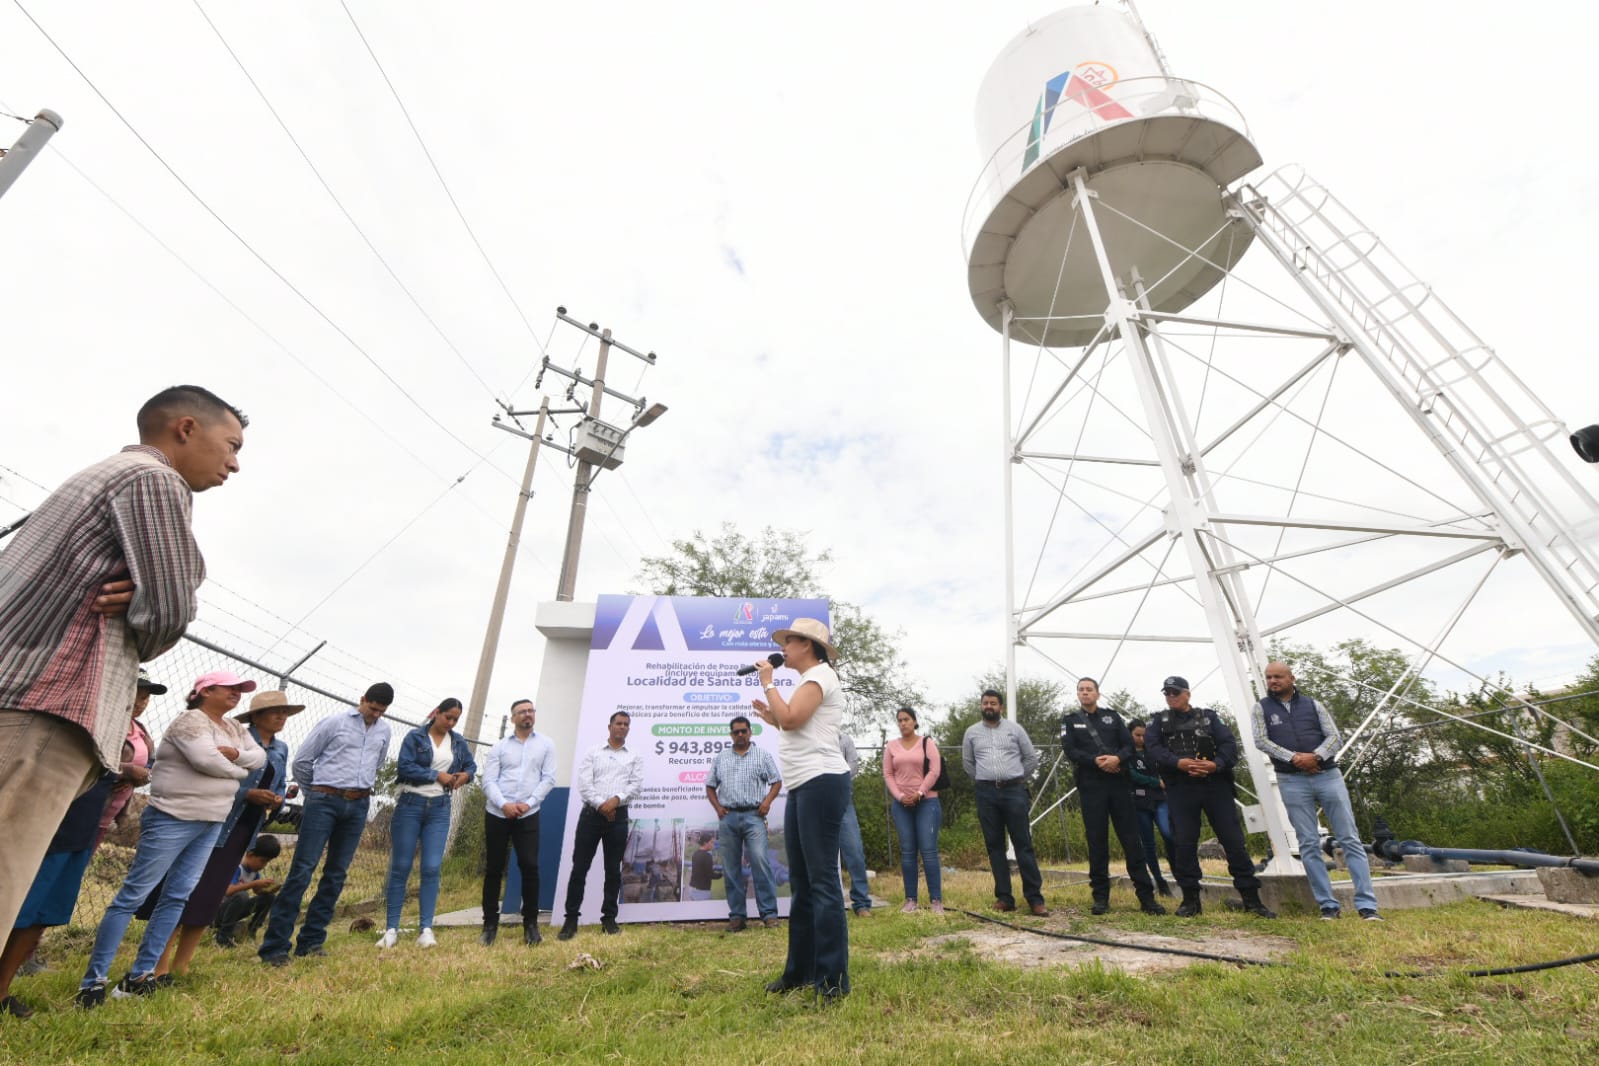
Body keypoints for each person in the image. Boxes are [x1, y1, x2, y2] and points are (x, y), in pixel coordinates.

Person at [0, 385, 246, 944]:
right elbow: (168, 615)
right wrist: (159, 596)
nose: (234, 463)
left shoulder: (100, 476)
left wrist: (157, 589)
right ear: (186, 428)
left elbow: (166, 591)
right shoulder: (155, 479)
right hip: (48, 704)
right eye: (231, 445)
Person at [77, 671, 265, 1007]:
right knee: (133, 895)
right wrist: (240, 770)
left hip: (211, 821)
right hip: (172, 817)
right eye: (229, 688)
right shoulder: (189, 722)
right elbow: (205, 760)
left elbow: (259, 758)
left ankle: (140, 976)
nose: (237, 693)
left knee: (177, 896)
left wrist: (236, 757)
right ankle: (94, 982)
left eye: (240, 689)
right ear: (205, 690)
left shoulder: (235, 728)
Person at [135, 689, 298, 980]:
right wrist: (247, 794)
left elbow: (280, 784)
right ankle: (158, 964)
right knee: (182, 891)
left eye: (285, 713)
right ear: (256, 715)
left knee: (208, 897)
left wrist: (276, 800)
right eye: (276, 711)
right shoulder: (235, 739)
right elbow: (212, 777)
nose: (282, 717)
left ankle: (182, 965)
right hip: (213, 821)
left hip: (243, 830)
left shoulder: (281, 749)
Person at [259, 682, 394, 967]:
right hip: (324, 800)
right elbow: (302, 762)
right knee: (302, 870)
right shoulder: (334, 723)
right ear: (363, 699)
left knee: (336, 874)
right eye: (372, 708)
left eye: (381, 711)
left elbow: (377, 764)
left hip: (358, 804)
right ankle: (275, 947)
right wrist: (317, 793)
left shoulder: (384, 731)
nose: (375, 715)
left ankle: (311, 941)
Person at [751, 618, 851, 1001]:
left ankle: (832, 982)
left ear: (807, 645)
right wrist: (773, 717)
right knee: (803, 884)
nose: (783, 649)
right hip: (802, 785)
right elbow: (795, 727)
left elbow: (793, 718)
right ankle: (799, 972)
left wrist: (768, 683)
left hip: (821, 781)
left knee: (822, 882)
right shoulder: (808, 680)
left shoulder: (821, 676)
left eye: (788, 642)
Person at [1251, 661, 1382, 921]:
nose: (1273, 681)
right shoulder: (1261, 708)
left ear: (1291, 678)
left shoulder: (1313, 705)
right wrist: (1295, 758)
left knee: (1349, 838)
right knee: (1308, 843)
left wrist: (1316, 757)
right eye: (1269, 677)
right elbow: (1261, 740)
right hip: (1291, 779)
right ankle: (1328, 906)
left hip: (1327, 775)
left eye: (1278, 676)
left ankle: (1367, 905)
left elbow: (1334, 736)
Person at [1145, 676, 1275, 919]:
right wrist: (1178, 763)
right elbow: (1152, 750)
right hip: (1181, 787)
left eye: (1175, 692)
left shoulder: (1209, 718)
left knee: (1233, 841)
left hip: (1215, 785)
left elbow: (1229, 746)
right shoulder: (1158, 722)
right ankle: (1191, 900)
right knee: (1184, 843)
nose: (1171, 697)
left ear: (1187, 694)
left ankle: (1251, 899)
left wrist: (1215, 765)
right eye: (1167, 693)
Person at [0, 771, 120, 1018]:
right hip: (45, 804)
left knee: (42, 911)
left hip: (83, 817)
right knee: (10, 902)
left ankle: (1, 991)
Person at [1061, 679, 1165, 916]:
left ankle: (1146, 897)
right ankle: (1100, 898)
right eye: (1081, 690)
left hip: (1118, 783)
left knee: (1132, 841)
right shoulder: (1070, 720)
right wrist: (1094, 761)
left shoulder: (1112, 717)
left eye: (1089, 689)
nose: (1085, 693)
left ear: (1097, 694)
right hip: (1091, 785)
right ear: (1078, 694)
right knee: (1097, 841)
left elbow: (1128, 745)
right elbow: (1070, 750)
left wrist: (1117, 759)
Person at [380, 698, 477, 950]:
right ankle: (391, 929)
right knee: (401, 866)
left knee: (432, 867)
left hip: (440, 808)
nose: (451, 722)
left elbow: (471, 766)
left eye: (455, 719)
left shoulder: (458, 742)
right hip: (410, 805)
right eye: (448, 717)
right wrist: (436, 775)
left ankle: (425, 929)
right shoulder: (415, 737)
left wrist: (465, 776)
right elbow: (405, 767)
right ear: (437, 713)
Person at [962, 688, 1048, 916]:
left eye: (993, 703)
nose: (989, 706)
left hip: (1014, 792)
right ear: (981, 706)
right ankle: (1004, 897)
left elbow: (1030, 759)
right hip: (986, 793)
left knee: (1023, 844)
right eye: (985, 703)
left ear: (1001, 707)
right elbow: (968, 764)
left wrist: (1016, 778)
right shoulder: (971, 733)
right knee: (995, 846)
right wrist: (987, 779)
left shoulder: (1015, 729)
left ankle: (1035, 899)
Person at [558, 711, 643, 939]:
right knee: (579, 868)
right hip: (591, 816)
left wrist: (615, 800)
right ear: (610, 726)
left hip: (618, 816)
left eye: (626, 724)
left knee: (613, 870)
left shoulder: (634, 756)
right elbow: (584, 784)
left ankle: (609, 919)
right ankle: (571, 920)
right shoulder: (593, 752)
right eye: (619, 723)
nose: (622, 727)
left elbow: (635, 785)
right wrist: (601, 805)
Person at [479, 698, 556, 946]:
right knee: (494, 868)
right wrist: (504, 804)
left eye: (531, 710)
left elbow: (549, 779)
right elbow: (488, 781)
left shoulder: (546, 745)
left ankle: (531, 925)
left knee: (530, 867)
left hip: (528, 814)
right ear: (513, 718)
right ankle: (489, 925)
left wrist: (529, 803)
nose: (527, 714)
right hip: (497, 813)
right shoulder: (499, 747)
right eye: (522, 712)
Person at [704, 714, 782, 931]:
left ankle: (769, 915)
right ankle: (737, 917)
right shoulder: (721, 757)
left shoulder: (762, 755)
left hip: (754, 817)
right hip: (728, 818)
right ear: (731, 735)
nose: (740, 734)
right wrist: (718, 808)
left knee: (760, 862)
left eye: (743, 731)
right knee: (731, 868)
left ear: (750, 732)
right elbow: (710, 786)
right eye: (736, 731)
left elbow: (776, 781)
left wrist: (767, 802)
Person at [881, 707, 945, 915]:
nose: (903, 723)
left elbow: (935, 770)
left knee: (928, 851)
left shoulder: (927, 743)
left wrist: (920, 792)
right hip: (902, 805)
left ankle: (936, 900)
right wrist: (900, 796)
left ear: (915, 721)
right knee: (908, 852)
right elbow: (888, 774)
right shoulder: (891, 746)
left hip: (927, 802)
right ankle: (910, 900)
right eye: (899, 720)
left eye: (906, 719)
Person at [97, 669, 163, 846]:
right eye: (135, 695)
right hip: (88, 806)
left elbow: (151, 766)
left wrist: (138, 778)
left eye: (145, 698)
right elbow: (92, 760)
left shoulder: (141, 732)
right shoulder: (104, 723)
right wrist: (129, 771)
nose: (139, 703)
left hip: (108, 815)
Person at [1128, 720, 1175, 897]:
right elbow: (1132, 775)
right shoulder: (1127, 753)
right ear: (1130, 735)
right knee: (1148, 843)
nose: (1141, 739)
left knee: (1168, 833)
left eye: (1144, 735)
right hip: (1139, 801)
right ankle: (1160, 881)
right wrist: (1155, 782)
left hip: (1160, 798)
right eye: (1137, 735)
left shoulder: (1154, 750)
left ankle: (1176, 867)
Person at [212, 835, 283, 947]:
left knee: (269, 898)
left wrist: (268, 890)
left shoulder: (254, 873)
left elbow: (257, 892)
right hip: (218, 912)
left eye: (267, 862)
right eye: (262, 861)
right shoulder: (237, 868)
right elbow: (228, 891)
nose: (264, 865)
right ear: (250, 855)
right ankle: (223, 935)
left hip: (235, 911)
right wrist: (254, 883)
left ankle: (252, 930)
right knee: (242, 895)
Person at [836, 732, 874, 918]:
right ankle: (827, 903)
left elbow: (854, 766)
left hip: (843, 801)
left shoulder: (845, 739)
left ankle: (861, 903)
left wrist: (834, 778)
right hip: (816, 802)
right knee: (819, 856)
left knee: (855, 851)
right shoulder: (812, 737)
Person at [686, 835, 720, 901]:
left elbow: (701, 869)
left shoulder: (695, 854)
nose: (713, 844)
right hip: (702, 891)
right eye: (711, 842)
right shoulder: (707, 856)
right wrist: (721, 874)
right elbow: (710, 875)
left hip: (692, 889)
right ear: (705, 843)